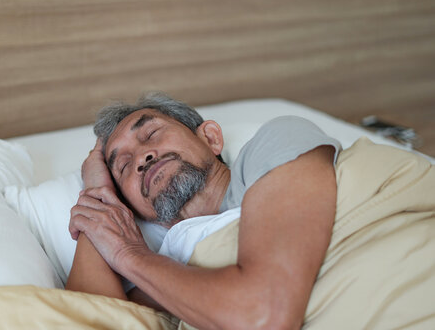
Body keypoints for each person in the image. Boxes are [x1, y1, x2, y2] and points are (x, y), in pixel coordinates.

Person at [65, 93, 341, 329]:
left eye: (151, 134)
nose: (141, 158)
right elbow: (86, 322)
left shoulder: (274, 143)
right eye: (124, 166)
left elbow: (264, 315)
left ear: (210, 138)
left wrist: (127, 254)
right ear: (131, 207)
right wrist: (99, 195)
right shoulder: (168, 268)